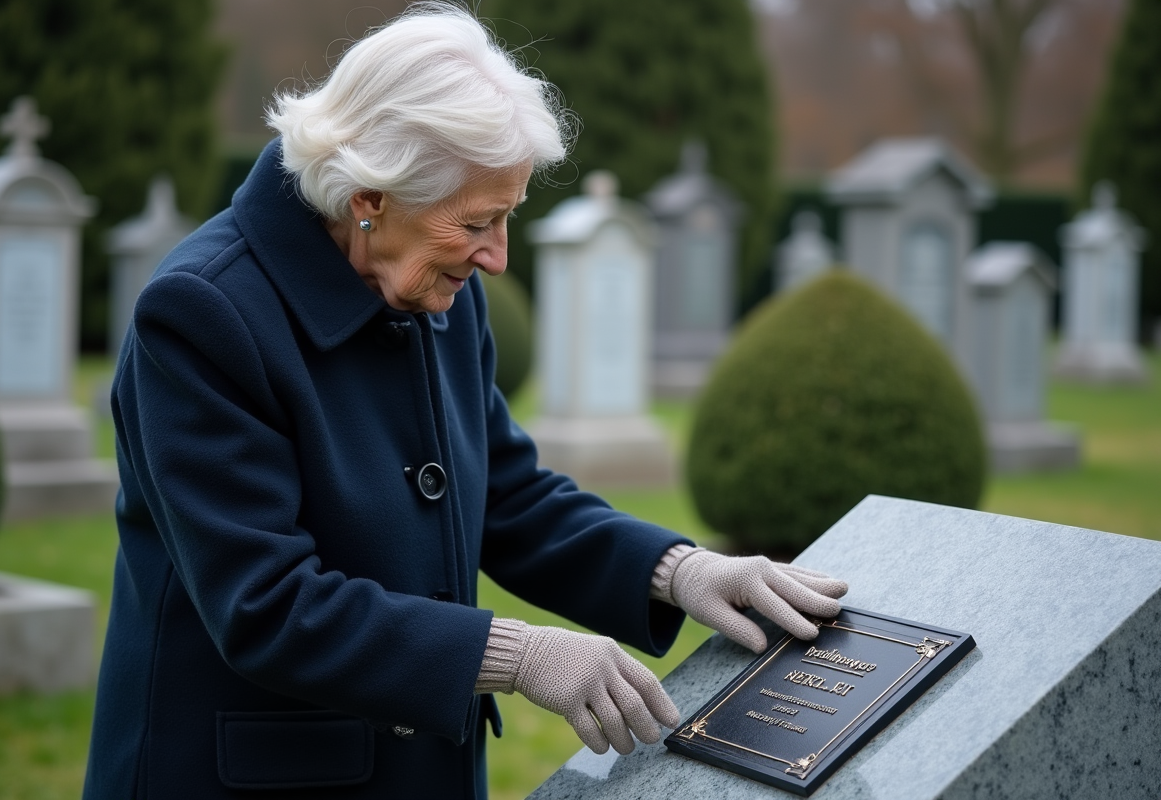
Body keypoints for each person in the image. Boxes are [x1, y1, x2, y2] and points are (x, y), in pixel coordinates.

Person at [82, 5, 848, 799]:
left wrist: (677, 569)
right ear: (370, 197)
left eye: (507, 215)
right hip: (245, 773)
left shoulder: (430, 286)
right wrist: (517, 656)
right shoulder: (203, 315)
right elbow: (266, 604)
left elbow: (505, 495)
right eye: (478, 221)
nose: (497, 255)